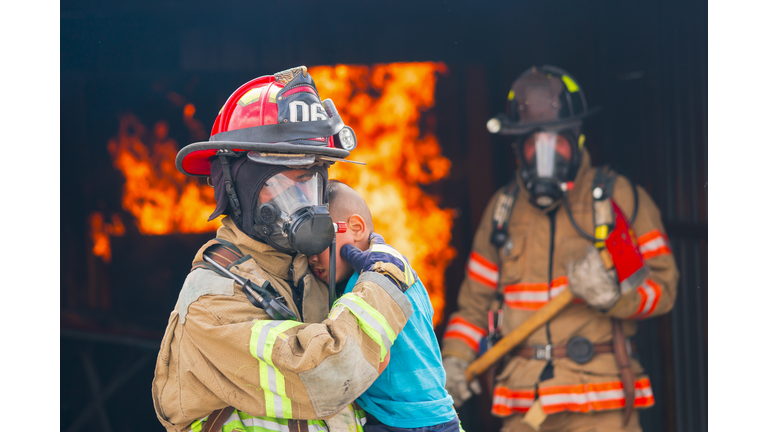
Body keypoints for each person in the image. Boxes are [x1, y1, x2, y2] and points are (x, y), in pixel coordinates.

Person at [152, 66, 418, 432]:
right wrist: (384, 284)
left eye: (309, 180)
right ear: (236, 188)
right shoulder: (212, 302)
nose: (301, 201)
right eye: (282, 182)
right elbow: (325, 377)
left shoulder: (313, 271)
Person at [441, 66, 679, 432]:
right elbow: (473, 307)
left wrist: (614, 298)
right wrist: (455, 359)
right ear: (518, 148)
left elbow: (663, 289)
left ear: (577, 138)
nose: (544, 153)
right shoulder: (502, 210)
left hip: (600, 403)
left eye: (555, 140)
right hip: (524, 406)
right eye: (532, 142)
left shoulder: (616, 199)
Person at [308, 180, 461, 432]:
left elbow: (375, 360)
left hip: (406, 422)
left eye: (318, 240)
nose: (311, 256)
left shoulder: (371, 282)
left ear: (356, 228)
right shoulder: (397, 269)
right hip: (431, 416)